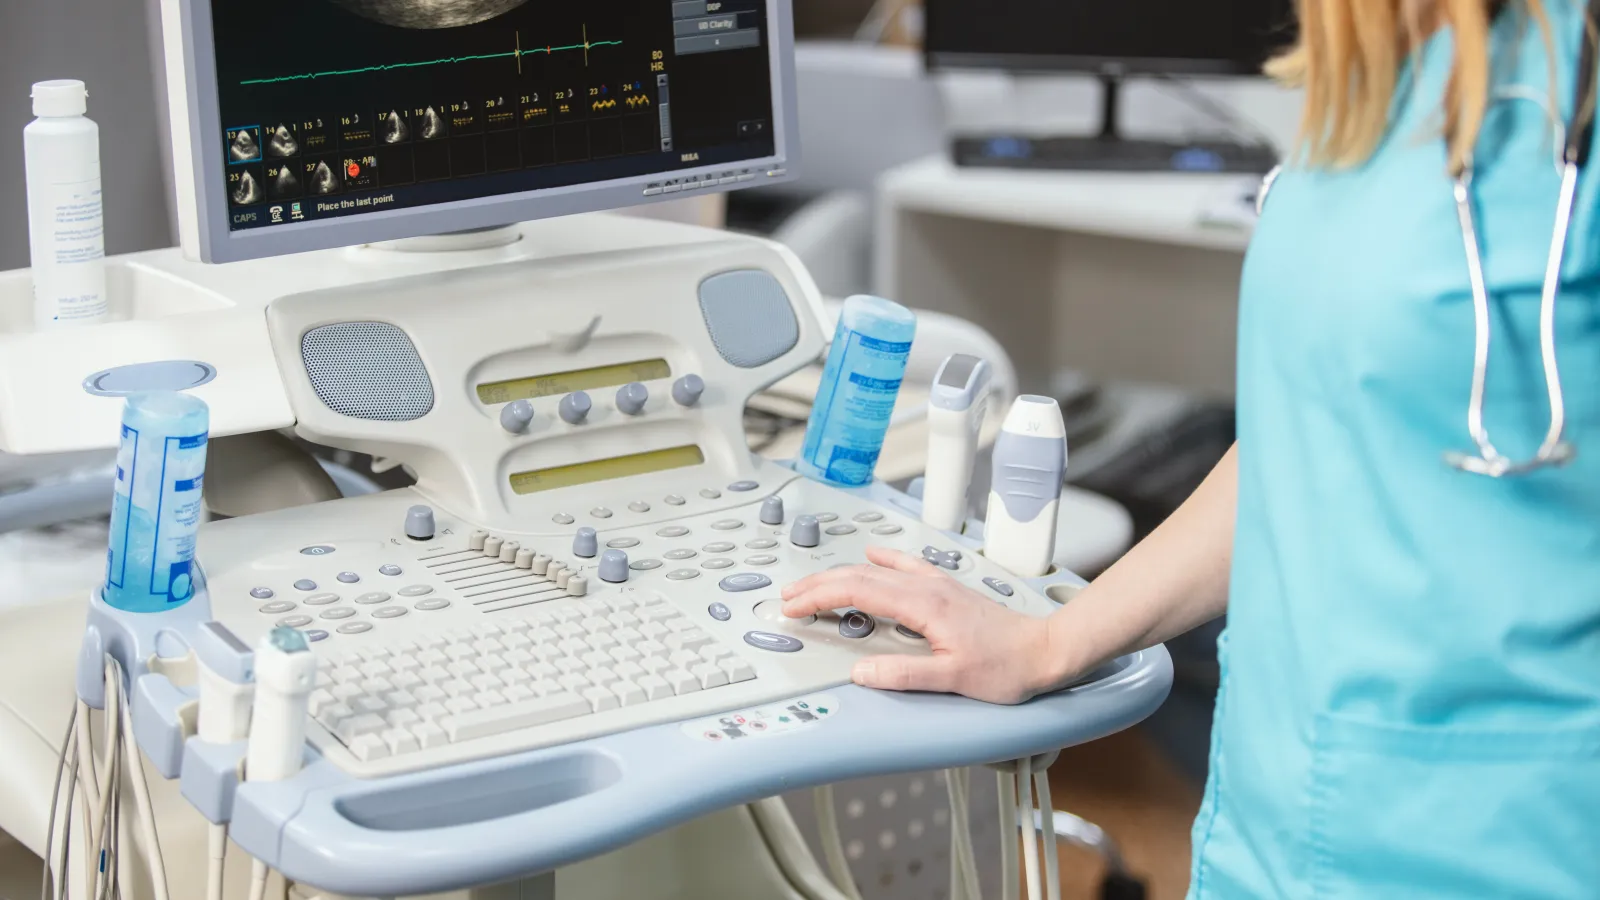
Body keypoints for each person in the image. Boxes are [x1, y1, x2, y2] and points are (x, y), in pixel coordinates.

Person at [781, 0, 1600, 895]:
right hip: (1276, 821)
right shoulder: (1389, 64)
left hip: (1520, 827)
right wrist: (1047, 644)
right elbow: (1300, 442)